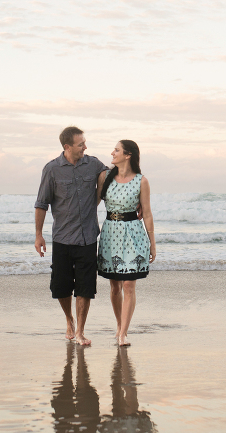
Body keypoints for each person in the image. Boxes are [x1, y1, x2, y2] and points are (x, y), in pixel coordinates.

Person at [35, 126, 107, 346]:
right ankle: (69, 320)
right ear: (67, 147)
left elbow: (109, 174)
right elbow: (41, 204)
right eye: (80, 144)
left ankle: (81, 331)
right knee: (61, 286)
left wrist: (99, 195)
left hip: (87, 238)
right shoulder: (52, 169)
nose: (85, 146)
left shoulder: (93, 164)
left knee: (86, 287)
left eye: (84, 142)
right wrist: (38, 235)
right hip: (63, 238)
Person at [96, 140, 155, 347]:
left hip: (133, 234)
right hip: (111, 233)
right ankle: (119, 324)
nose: (112, 153)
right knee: (114, 286)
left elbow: (146, 213)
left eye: (117, 150)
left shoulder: (141, 181)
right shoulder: (105, 177)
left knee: (129, 284)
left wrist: (152, 243)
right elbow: (93, 203)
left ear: (128, 155)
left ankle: (123, 333)